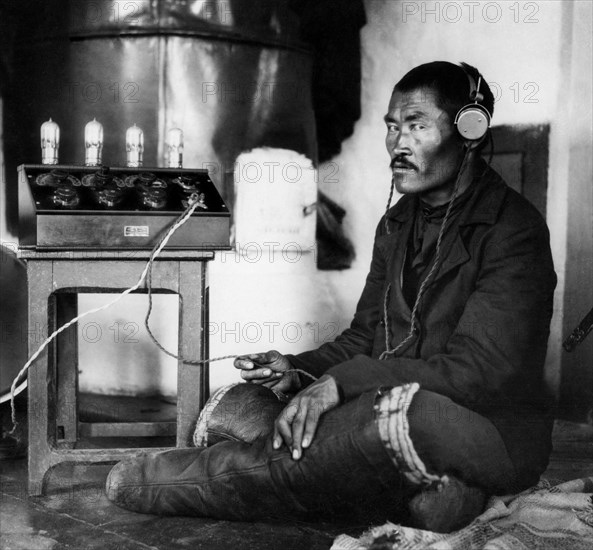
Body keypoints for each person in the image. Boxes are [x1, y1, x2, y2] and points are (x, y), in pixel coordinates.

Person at [106, 61, 557, 532]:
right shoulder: (398, 222)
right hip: (383, 410)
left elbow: (477, 375)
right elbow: (364, 335)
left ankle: (168, 484)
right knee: (240, 405)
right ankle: (416, 488)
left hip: (482, 428)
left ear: (469, 130)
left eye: (416, 126)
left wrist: (340, 385)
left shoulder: (514, 230)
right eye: (392, 127)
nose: (397, 145)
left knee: (397, 414)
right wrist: (300, 372)